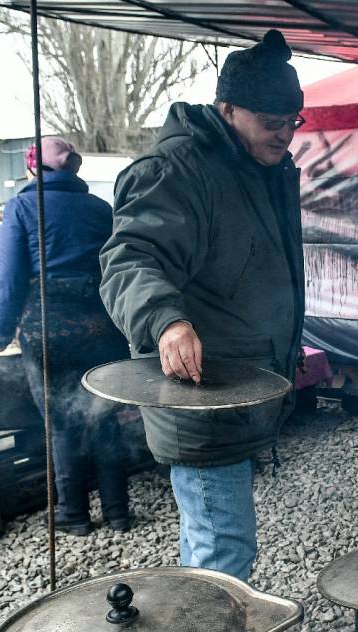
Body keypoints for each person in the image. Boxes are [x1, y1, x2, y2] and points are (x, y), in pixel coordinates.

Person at [100, 30, 305, 581]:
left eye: (293, 122)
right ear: (227, 108)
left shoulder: (261, 169)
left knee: (209, 545)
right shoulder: (179, 170)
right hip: (201, 395)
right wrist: (166, 321)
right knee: (223, 552)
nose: (284, 135)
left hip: (243, 389)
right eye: (271, 122)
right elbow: (129, 257)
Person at [0, 137, 131, 535]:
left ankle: (74, 515)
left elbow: (9, 279)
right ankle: (118, 512)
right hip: (102, 327)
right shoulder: (101, 209)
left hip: (51, 330)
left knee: (63, 421)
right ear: (75, 169)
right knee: (104, 418)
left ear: (34, 168)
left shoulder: (23, 207)